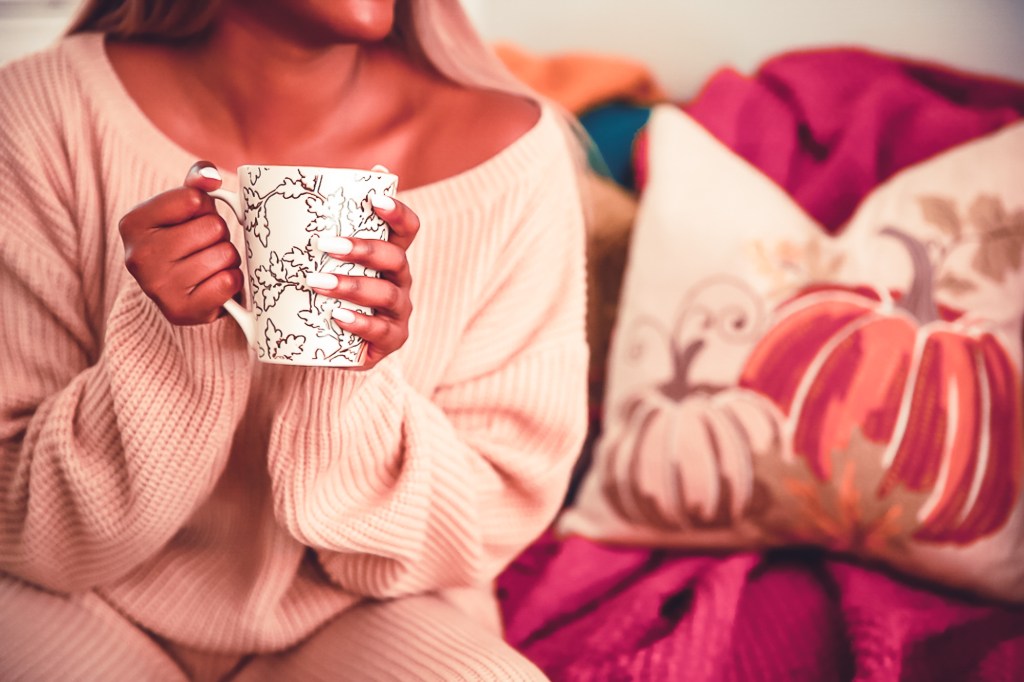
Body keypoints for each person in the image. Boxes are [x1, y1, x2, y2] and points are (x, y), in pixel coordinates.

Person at [0, 0, 588, 679]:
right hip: (76, 598)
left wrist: (345, 370)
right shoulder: (39, 114)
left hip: (369, 613)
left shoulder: (512, 159)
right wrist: (167, 342)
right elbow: (20, 520)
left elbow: (489, 516)